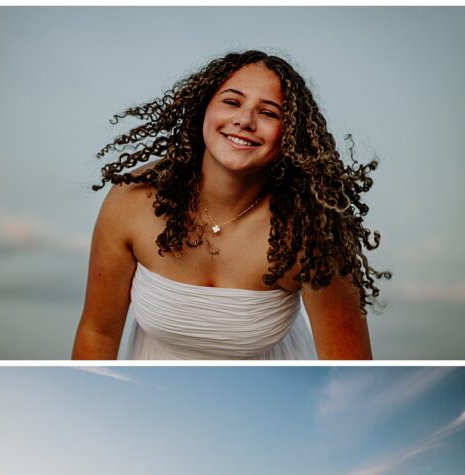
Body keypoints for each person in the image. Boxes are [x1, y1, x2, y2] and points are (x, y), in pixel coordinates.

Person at [73, 50, 388, 360]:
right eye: (232, 102)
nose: (245, 121)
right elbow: (97, 333)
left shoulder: (313, 232)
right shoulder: (133, 199)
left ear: (290, 135)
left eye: (269, 113)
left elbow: (351, 365)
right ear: (203, 109)